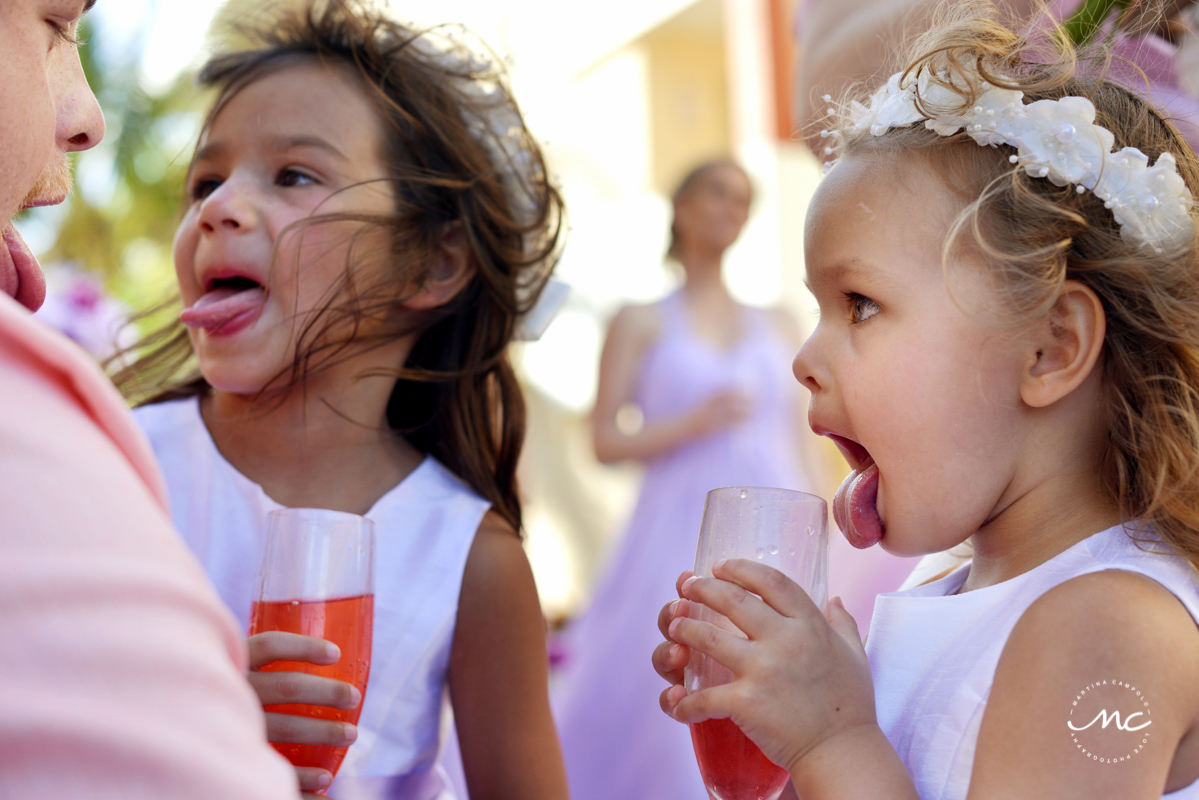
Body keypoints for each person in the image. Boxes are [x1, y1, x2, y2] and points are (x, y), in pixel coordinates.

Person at [653, 5, 1199, 798]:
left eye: (859, 304)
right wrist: (780, 720)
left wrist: (829, 735)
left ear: (1049, 348)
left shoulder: (1107, 629)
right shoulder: (947, 587)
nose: (805, 359)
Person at [114, 2, 570, 798]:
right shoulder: (111, 466)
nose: (217, 207)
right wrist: (193, 728)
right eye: (207, 181)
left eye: (294, 175)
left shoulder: (472, 559)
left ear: (434, 263)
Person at [0, 1, 299, 797]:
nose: (216, 209)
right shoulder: (98, 445)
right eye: (57, 24)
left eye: (296, 176)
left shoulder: (472, 541)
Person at [552, 159, 823, 800]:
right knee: (677, 678)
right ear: (681, 207)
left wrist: (825, 526)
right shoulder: (640, 319)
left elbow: (800, 437)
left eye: (744, 199)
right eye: (719, 194)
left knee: (781, 683)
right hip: (677, 531)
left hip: (775, 531)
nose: (733, 209)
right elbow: (603, 442)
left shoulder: (779, 320)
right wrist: (689, 423)